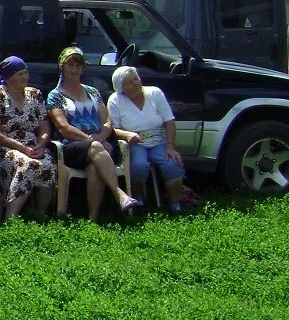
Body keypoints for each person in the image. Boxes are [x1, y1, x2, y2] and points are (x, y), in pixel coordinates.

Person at [46, 46, 140, 220]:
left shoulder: (93, 92)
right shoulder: (55, 95)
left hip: (99, 146)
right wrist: (91, 139)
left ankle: (93, 218)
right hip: (72, 146)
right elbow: (63, 127)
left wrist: (102, 136)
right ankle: (120, 194)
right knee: (96, 147)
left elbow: (107, 121)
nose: (74, 70)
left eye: (78, 66)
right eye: (70, 65)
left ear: (83, 68)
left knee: (94, 168)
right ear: (62, 66)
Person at [0, 56, 57, 219]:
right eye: (19, 74)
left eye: (25, 73)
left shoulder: (35, 94)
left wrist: (42, 144)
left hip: (33, 145)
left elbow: (44, 127)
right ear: (8, 78)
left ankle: (40, 213)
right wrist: (23, 149)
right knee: (27, 165)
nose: (25, 77)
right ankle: (11, 217)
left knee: (48, 165)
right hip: (3, 144)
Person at [107, 65, 185, 211]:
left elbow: (169, 121)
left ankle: (175, 205)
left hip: (159, 141)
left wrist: (170, 146)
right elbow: (113, 129)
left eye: (136, 79)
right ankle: (138, 199)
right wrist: (127, 135)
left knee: (172, 164)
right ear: (121, 88)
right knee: (139, 166)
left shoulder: (155, 93)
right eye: (129, 82)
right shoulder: (115, 100)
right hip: (135, 142)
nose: (135, 83)